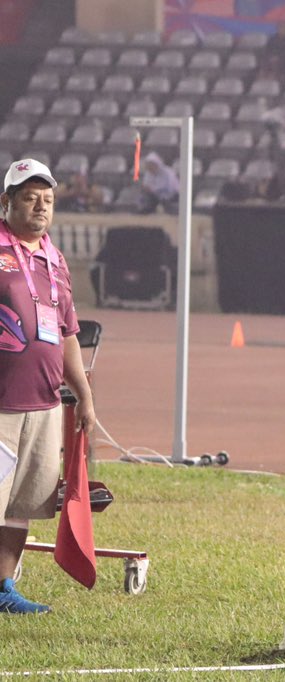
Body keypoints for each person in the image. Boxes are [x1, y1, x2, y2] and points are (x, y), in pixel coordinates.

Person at [0, 159, 95, 614]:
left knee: (22, 503)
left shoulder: (55, 259)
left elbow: (69, 333)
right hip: (1, 405)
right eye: (29, 197)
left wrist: (85, 396)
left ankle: (3, 588)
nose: (40, 206)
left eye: (48, 199)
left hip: (44, 403)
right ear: (7, 202)